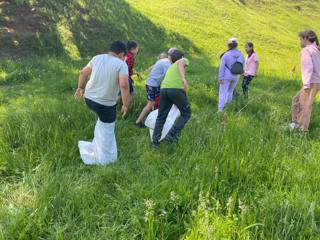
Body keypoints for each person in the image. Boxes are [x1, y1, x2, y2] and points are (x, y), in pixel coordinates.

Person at [74, 40, 130, 164]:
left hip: (89, 99)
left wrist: (80, 87)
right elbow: (124, 86)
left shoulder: (97, 58)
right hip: (105, 104)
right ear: (121, 54)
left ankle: (98, 145)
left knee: (102, 121)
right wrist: (126, 105)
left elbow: (83, 73)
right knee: (108, 127)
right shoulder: (121, 64)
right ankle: (106, 159)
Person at [151, 49, 191, 150]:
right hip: (176, 90)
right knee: (186, 113)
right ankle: (171, 135)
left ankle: (155, 142)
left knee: (161, 116)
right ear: (181, 57)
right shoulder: (181, 60)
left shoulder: (171, 67)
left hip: (164, 90)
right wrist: (183, 78)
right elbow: (181, 63)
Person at [135, 49, 175, 128]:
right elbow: (168, 76)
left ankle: (151, 121)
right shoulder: (167, 64)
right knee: (150, 104)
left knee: (156, 103)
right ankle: (138, 122)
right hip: (152, 85)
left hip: (154, 84)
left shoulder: (165, 61)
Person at [290, 30, 320, 131]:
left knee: (305, 105)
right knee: (296, 100)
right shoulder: (315, 49)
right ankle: (295, 123)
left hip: (311, 82)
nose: (300, 42)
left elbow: (308, 68)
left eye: (300, 39)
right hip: (315, 81)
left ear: (305, 39)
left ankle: (302, 130)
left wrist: (306, 85)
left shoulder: (307, 50)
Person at [218, 38, 245, 112]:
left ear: (228, 45)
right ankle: (228, 105)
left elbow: (222, 67)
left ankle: (220, 109)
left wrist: (220, 77)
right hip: (236, 76)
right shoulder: (241, 54)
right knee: (230, 91)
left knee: (223, 91)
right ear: (236, 45)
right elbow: (243, 65)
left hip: (226, 76)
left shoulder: (226, 55)